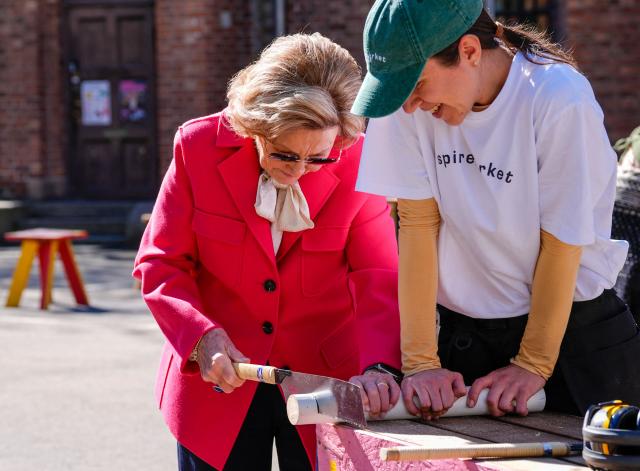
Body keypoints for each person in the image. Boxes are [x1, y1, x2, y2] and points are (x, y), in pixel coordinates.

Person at [352, 0, 640, 420]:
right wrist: (421, 362)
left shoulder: (558, 98)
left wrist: (533, 363)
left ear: (469, 51)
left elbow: (562, 241)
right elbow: (416, 225)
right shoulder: (406, 104)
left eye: (416, 85)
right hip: (468, 336)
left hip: (575, 336)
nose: (409, 105)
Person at [133, 33, 402, 471]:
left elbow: (378, 275)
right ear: (254, 127)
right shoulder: (197, 146)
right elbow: (162, 262)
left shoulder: (357, 159)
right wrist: (201, 337)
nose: (298, 172)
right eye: (284, 154)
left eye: (318, 158)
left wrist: (380, 368)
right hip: (218, 382)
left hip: (325, 380)